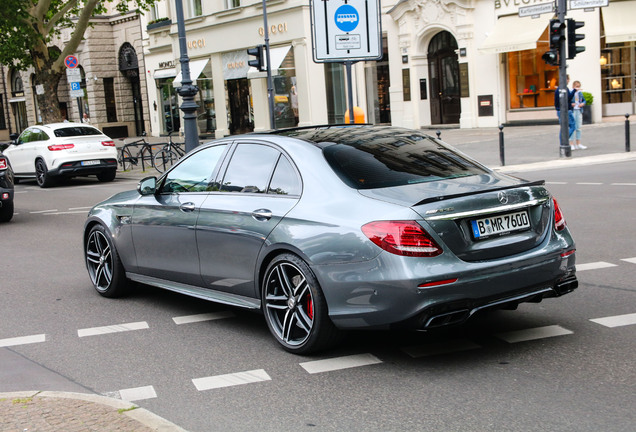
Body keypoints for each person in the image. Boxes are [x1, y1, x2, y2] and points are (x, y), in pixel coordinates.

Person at [554, 75, 575, 150]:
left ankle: (562, 143)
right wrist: (574, 90)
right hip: (566, 111)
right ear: (566, 80)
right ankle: (564, 141)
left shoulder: (557, 90)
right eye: (568, 79)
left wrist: (558, 108)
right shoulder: (565, 89)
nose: (569, 81)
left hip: (559, 111)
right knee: (573, 126)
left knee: (563, 127)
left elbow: (556, 102)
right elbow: (569, 98)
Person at [569, 80, 587, 150]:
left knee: (578, 127)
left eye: (579, 87)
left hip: (579, 110)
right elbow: (567, 102)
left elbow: (584, 100)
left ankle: (578, 143)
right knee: (572, 127)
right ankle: (571, 144)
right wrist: (571, 104)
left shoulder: (580, 93)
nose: (578, 88)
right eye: (577, 86)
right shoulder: (570, 93)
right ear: (573, 86)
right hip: (572, 111)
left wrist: (583, 103)